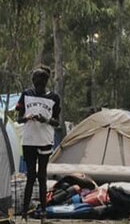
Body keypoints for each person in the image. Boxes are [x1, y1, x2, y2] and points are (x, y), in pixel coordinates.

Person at [15, 66, 61, 218]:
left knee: (42, 176)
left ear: (46, 82)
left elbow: (56, 122)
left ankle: (43, 210)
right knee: (30, 176)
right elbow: (18, 118)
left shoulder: (54, 98)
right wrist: (27, 118)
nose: (38, 86)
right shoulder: (26, 94)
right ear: (33, 82)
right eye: (36, 82)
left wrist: (46, 120)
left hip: (45, 141)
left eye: (42, 83)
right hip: (29, 141)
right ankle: (24, 211)